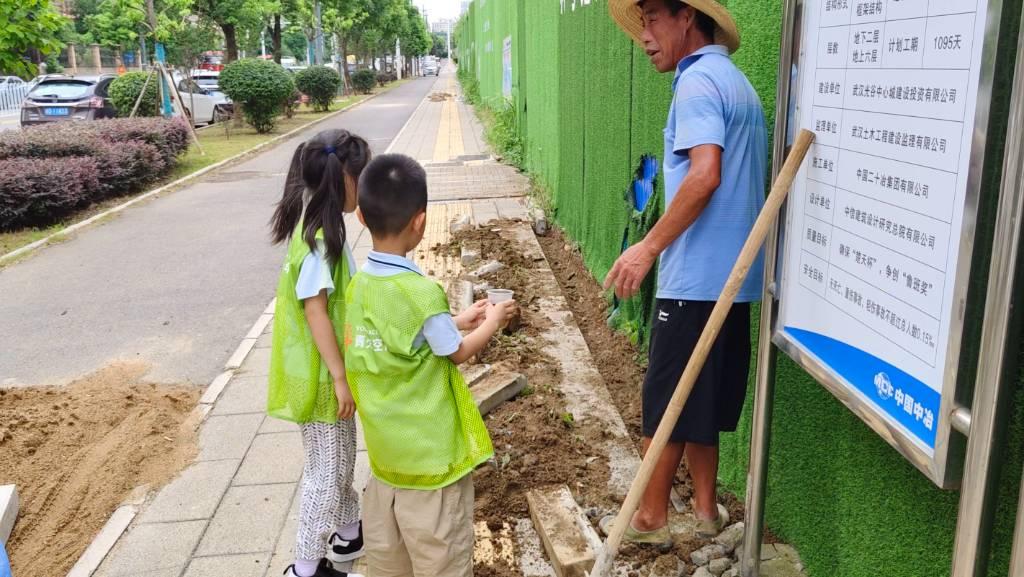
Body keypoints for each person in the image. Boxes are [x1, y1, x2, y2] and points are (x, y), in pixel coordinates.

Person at [604, 0, 768, 547]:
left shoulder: (696, 84)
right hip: (733, 279)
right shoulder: (737, 83)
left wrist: (646, 248)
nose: (644, 35)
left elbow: (705, 174)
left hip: (694, 277)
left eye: (653, 18)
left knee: (666, 400)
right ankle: (704, 510)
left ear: (687, 19)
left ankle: (649, 518)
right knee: (703, 396)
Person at [344, 153, 516, 577]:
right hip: (433, 467)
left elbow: (403, 338)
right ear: (420, 221)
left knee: (390, 566)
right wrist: (491, 321)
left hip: (386, 463)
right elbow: (456, 352)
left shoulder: (359, 286)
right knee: (442, 564)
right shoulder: (421, 292)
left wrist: (456, 322)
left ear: (362, 217)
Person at [267, 129, 372, 577]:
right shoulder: (318, 242)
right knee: (325, 476)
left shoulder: (328, 227)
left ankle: (349, 532)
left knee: (341, 459)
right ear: (342, 179)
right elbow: (316, 312)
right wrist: (340, 377)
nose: (364, 187)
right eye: (361, 177)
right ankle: (305, 568)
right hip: (321, 376)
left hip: (328, 371)